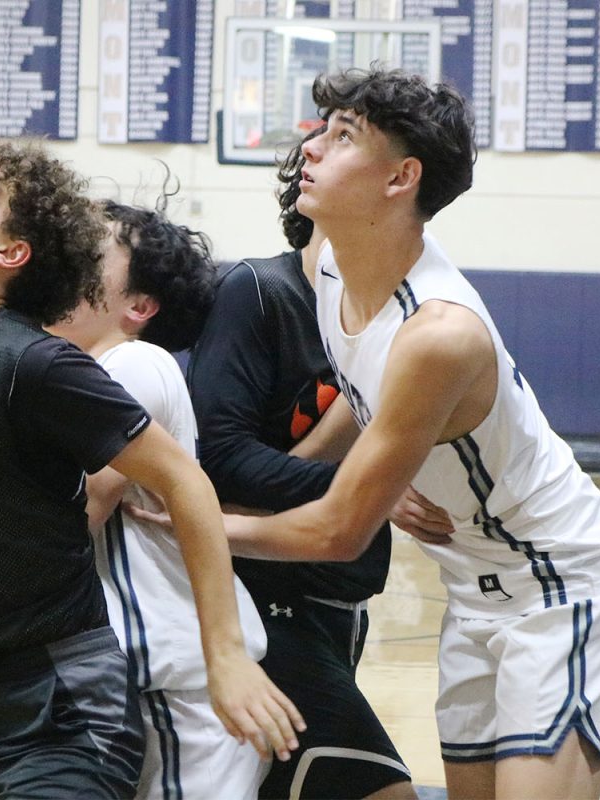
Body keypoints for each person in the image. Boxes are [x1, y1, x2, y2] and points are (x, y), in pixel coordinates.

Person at [140, 68, 600, 800]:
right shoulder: (339, 278)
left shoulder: (439, 334)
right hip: (473, 588)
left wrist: (197, 524)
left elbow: (339, 533)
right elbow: (364, 388)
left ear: (400, 179)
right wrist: (314, 461)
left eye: (342, 136)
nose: (311, 148)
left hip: (563, 585)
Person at [0, 139, 302, 799]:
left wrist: (226, 655)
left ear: (9, 252)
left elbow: (185, 479)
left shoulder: (37, 363)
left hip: (65, 707)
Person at [185, 127, 431, 800]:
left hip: (339, 591)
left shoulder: (406, 320)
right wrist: (365, 490)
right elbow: (222, 457)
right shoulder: (257, 292)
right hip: (260, 593)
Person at [49, 196, 275, 799]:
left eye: (94, 247)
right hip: (145, 682)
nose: (69, 248)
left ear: (138, 306)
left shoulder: (134, 362)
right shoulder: (67, 372)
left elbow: (75, 518)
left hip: (184, 686)